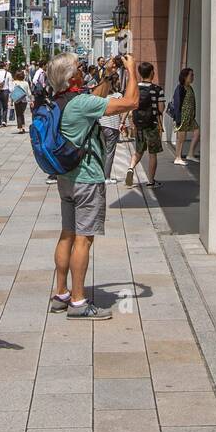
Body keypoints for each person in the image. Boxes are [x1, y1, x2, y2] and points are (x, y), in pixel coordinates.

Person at [47, 51, 138, 320]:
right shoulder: (81, 103)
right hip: (87, 178)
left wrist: (109, 74)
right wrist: (131, 70)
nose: (82, 69)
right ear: (71, 76)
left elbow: (95, 95)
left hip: (66, 177)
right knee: (83, 240)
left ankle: (61, 293)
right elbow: (131, 101)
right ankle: (78, 302)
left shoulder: (60, 100)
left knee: (67, 234)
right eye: (78, 67)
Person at [125, 61, 165, 188]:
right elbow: (161, 109)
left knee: (138, 151)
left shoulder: (134, 88)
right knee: (152, 154)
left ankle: (131, 168)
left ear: (140, 73)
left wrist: (124, 121)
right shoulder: (157, 89)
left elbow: (129, 105)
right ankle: (151, 181)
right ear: (152, 73)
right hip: (152, 125)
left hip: (139, 125)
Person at [95, 59, 124, 184]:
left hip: (101, 124)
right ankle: (106, 177)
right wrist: (123, 124)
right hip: (112, 126)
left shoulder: (102, 95)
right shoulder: (118, 96)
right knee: (109, 152)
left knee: (101, 150)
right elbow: (123, 112)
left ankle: (99, 174)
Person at [171, 67, 199, 165]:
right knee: (181, 138)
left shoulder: (190, 88)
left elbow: (192, 102)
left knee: (197, 133)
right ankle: (177, 157)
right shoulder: (180, 88)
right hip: (182, 117)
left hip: (190, 117)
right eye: (191, 75)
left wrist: (193, 113)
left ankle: (190, 154)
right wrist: (178, 119)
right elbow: (177, 104)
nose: (192, 77)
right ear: (185, 76)